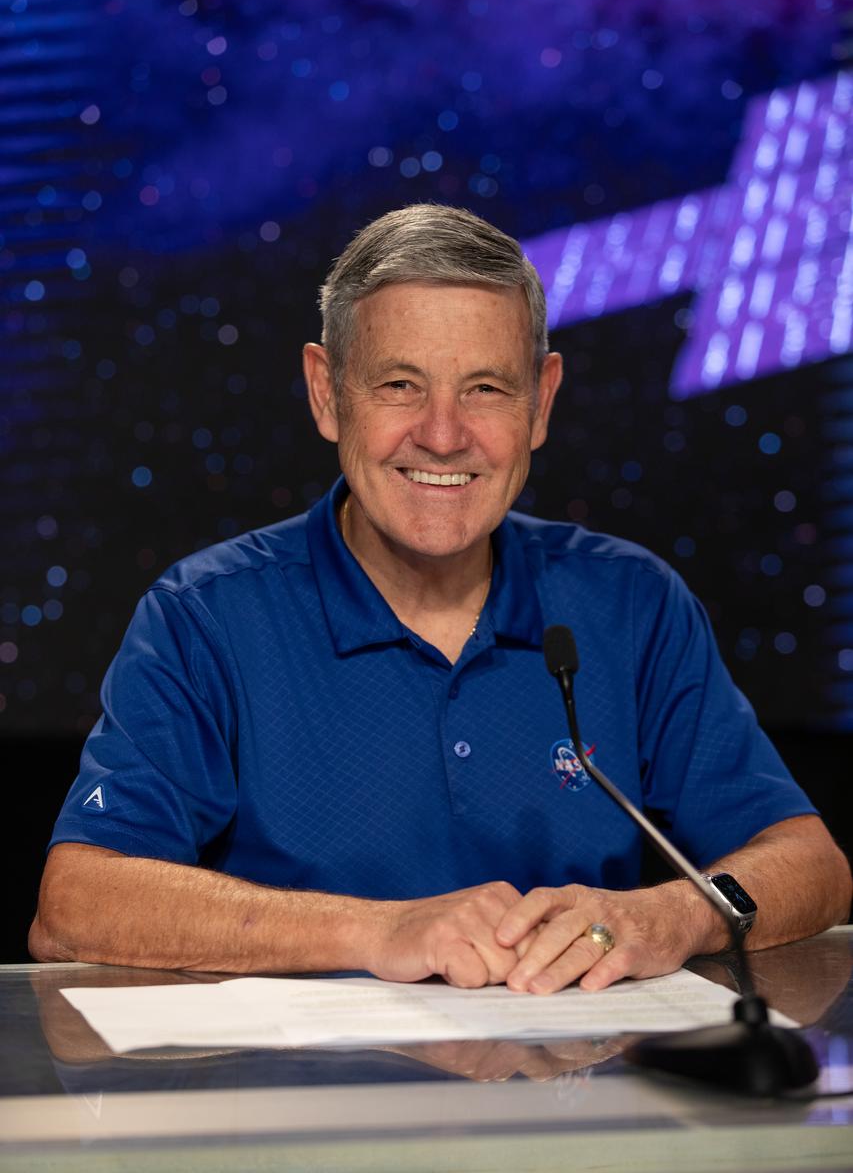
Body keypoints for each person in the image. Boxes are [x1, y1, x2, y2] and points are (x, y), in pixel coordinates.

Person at [30, 205, 851, 994]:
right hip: (302, 1121)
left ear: (542, 401)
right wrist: (377, 932)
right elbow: (75, 910)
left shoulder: (630, 603)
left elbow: (810, 865)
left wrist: (674, 915)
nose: (444, 434)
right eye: (399, 385)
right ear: (326, 393)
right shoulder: (204, 617)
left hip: (577, 1119)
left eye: (487, 389)